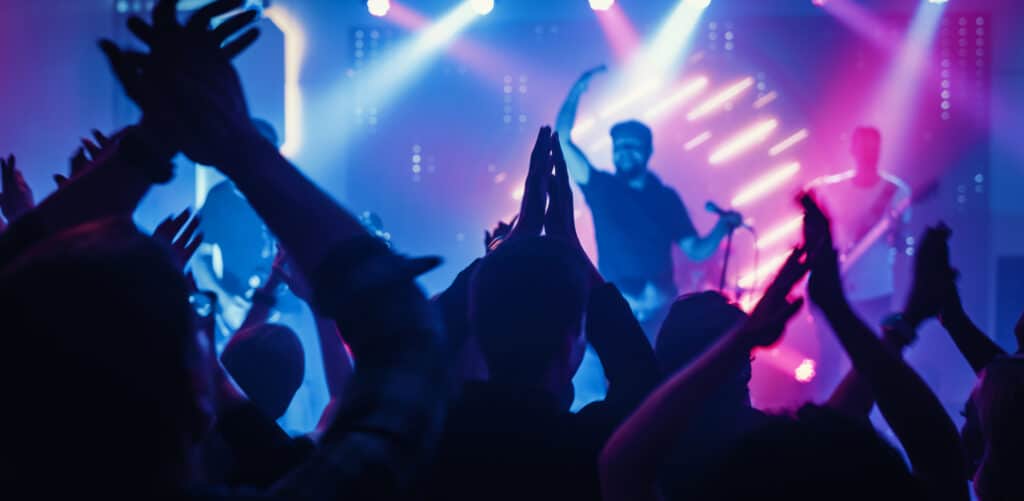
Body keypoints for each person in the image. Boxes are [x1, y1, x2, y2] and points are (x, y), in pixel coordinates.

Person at [426, 127, 659, 501]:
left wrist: (516, 241)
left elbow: (418, 346)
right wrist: (572, 247)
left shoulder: (427, 432)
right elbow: (644, 383)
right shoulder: (589, 451)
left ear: (478, 326)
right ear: (571, 345)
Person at [556, 67, 743, 337]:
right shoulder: (601, 187)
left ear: (647, 151)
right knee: (618, 378)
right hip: (616, 312)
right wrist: (577, 91)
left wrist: (722, 227)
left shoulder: (665, 198)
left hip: (662, 315)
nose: (623, 153)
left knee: (668, 376)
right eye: (618, 147)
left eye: (631, 146)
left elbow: (696, 250)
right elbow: (563, 140)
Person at [805, 126, 912, 328]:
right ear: (852, 149)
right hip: (836, 286)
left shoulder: (896, 191)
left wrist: (895, 232)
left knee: (872, 355)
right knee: (831, 356)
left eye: (873, 149)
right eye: (863, 148)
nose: (868, 155)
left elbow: (901, 244)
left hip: (876, 290)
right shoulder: (831, 188)